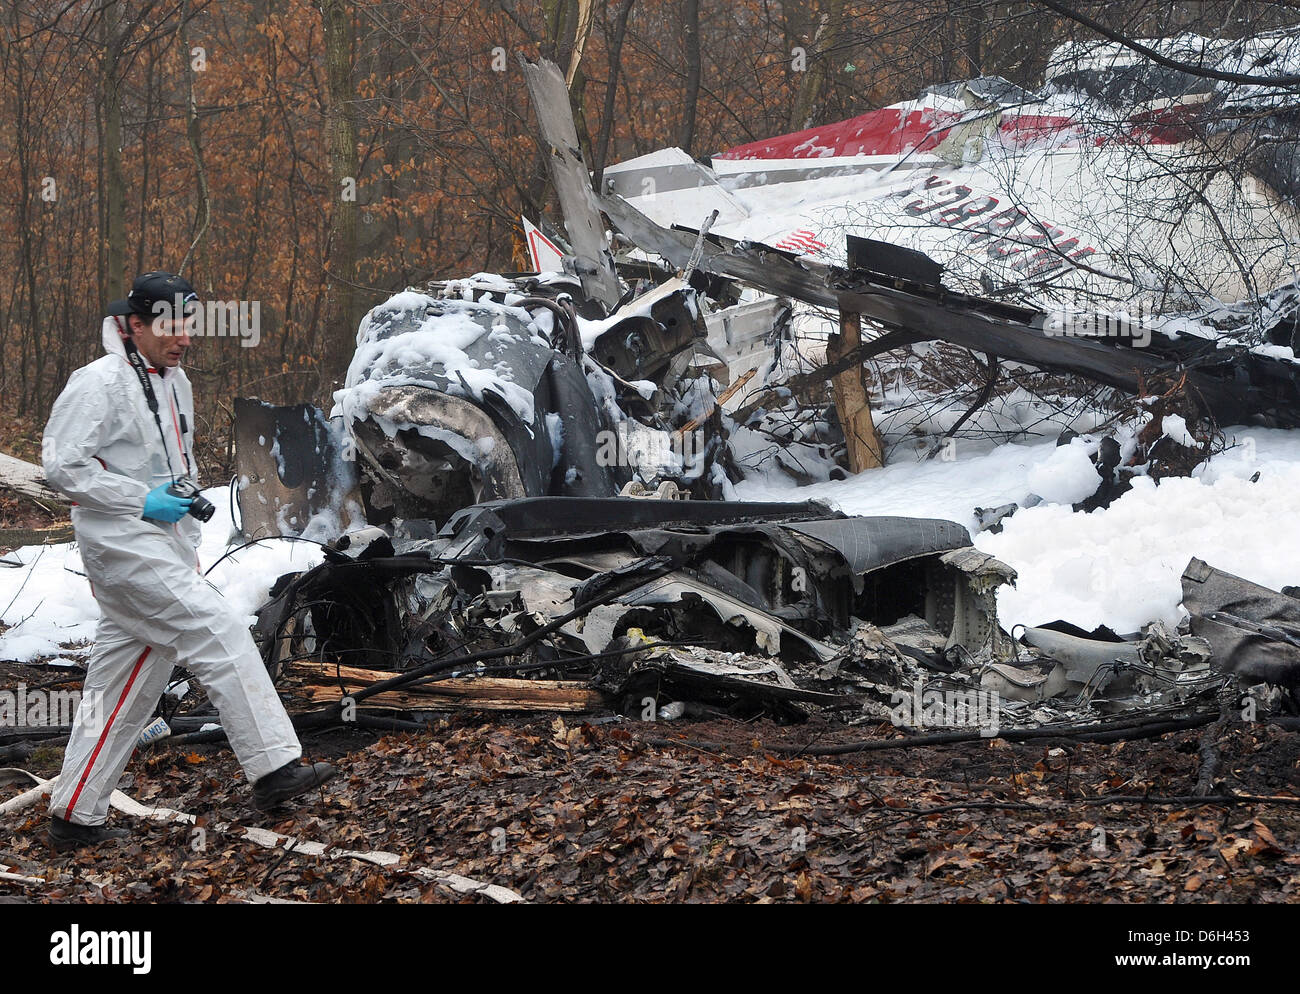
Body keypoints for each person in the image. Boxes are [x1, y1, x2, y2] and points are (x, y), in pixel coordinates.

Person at [42, 271, 335, 852]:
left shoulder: (177, 384)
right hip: (122, 549)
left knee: (124, 686)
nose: (183, 339)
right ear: (134, 325)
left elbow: (168, 459)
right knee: (218, 629)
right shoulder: (96, 383)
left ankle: (75, 814)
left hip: (164, 547)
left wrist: (178, 496)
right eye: (170, 328)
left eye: (189, 327)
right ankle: (274, 767)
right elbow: (60, 466)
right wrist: (137, 498)